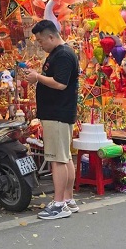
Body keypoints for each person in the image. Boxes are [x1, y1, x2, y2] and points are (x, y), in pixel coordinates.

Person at [25, 19, 80, 221]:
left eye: (41, 41)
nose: (40, 45)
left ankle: (58, 204)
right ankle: (68, 199)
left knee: (57, 159)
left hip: (57, 113)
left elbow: (60, 84)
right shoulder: (58, 54)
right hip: (58, 112)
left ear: (51, 36)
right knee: (64, 157)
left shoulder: (64, 55)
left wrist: (37, 77)